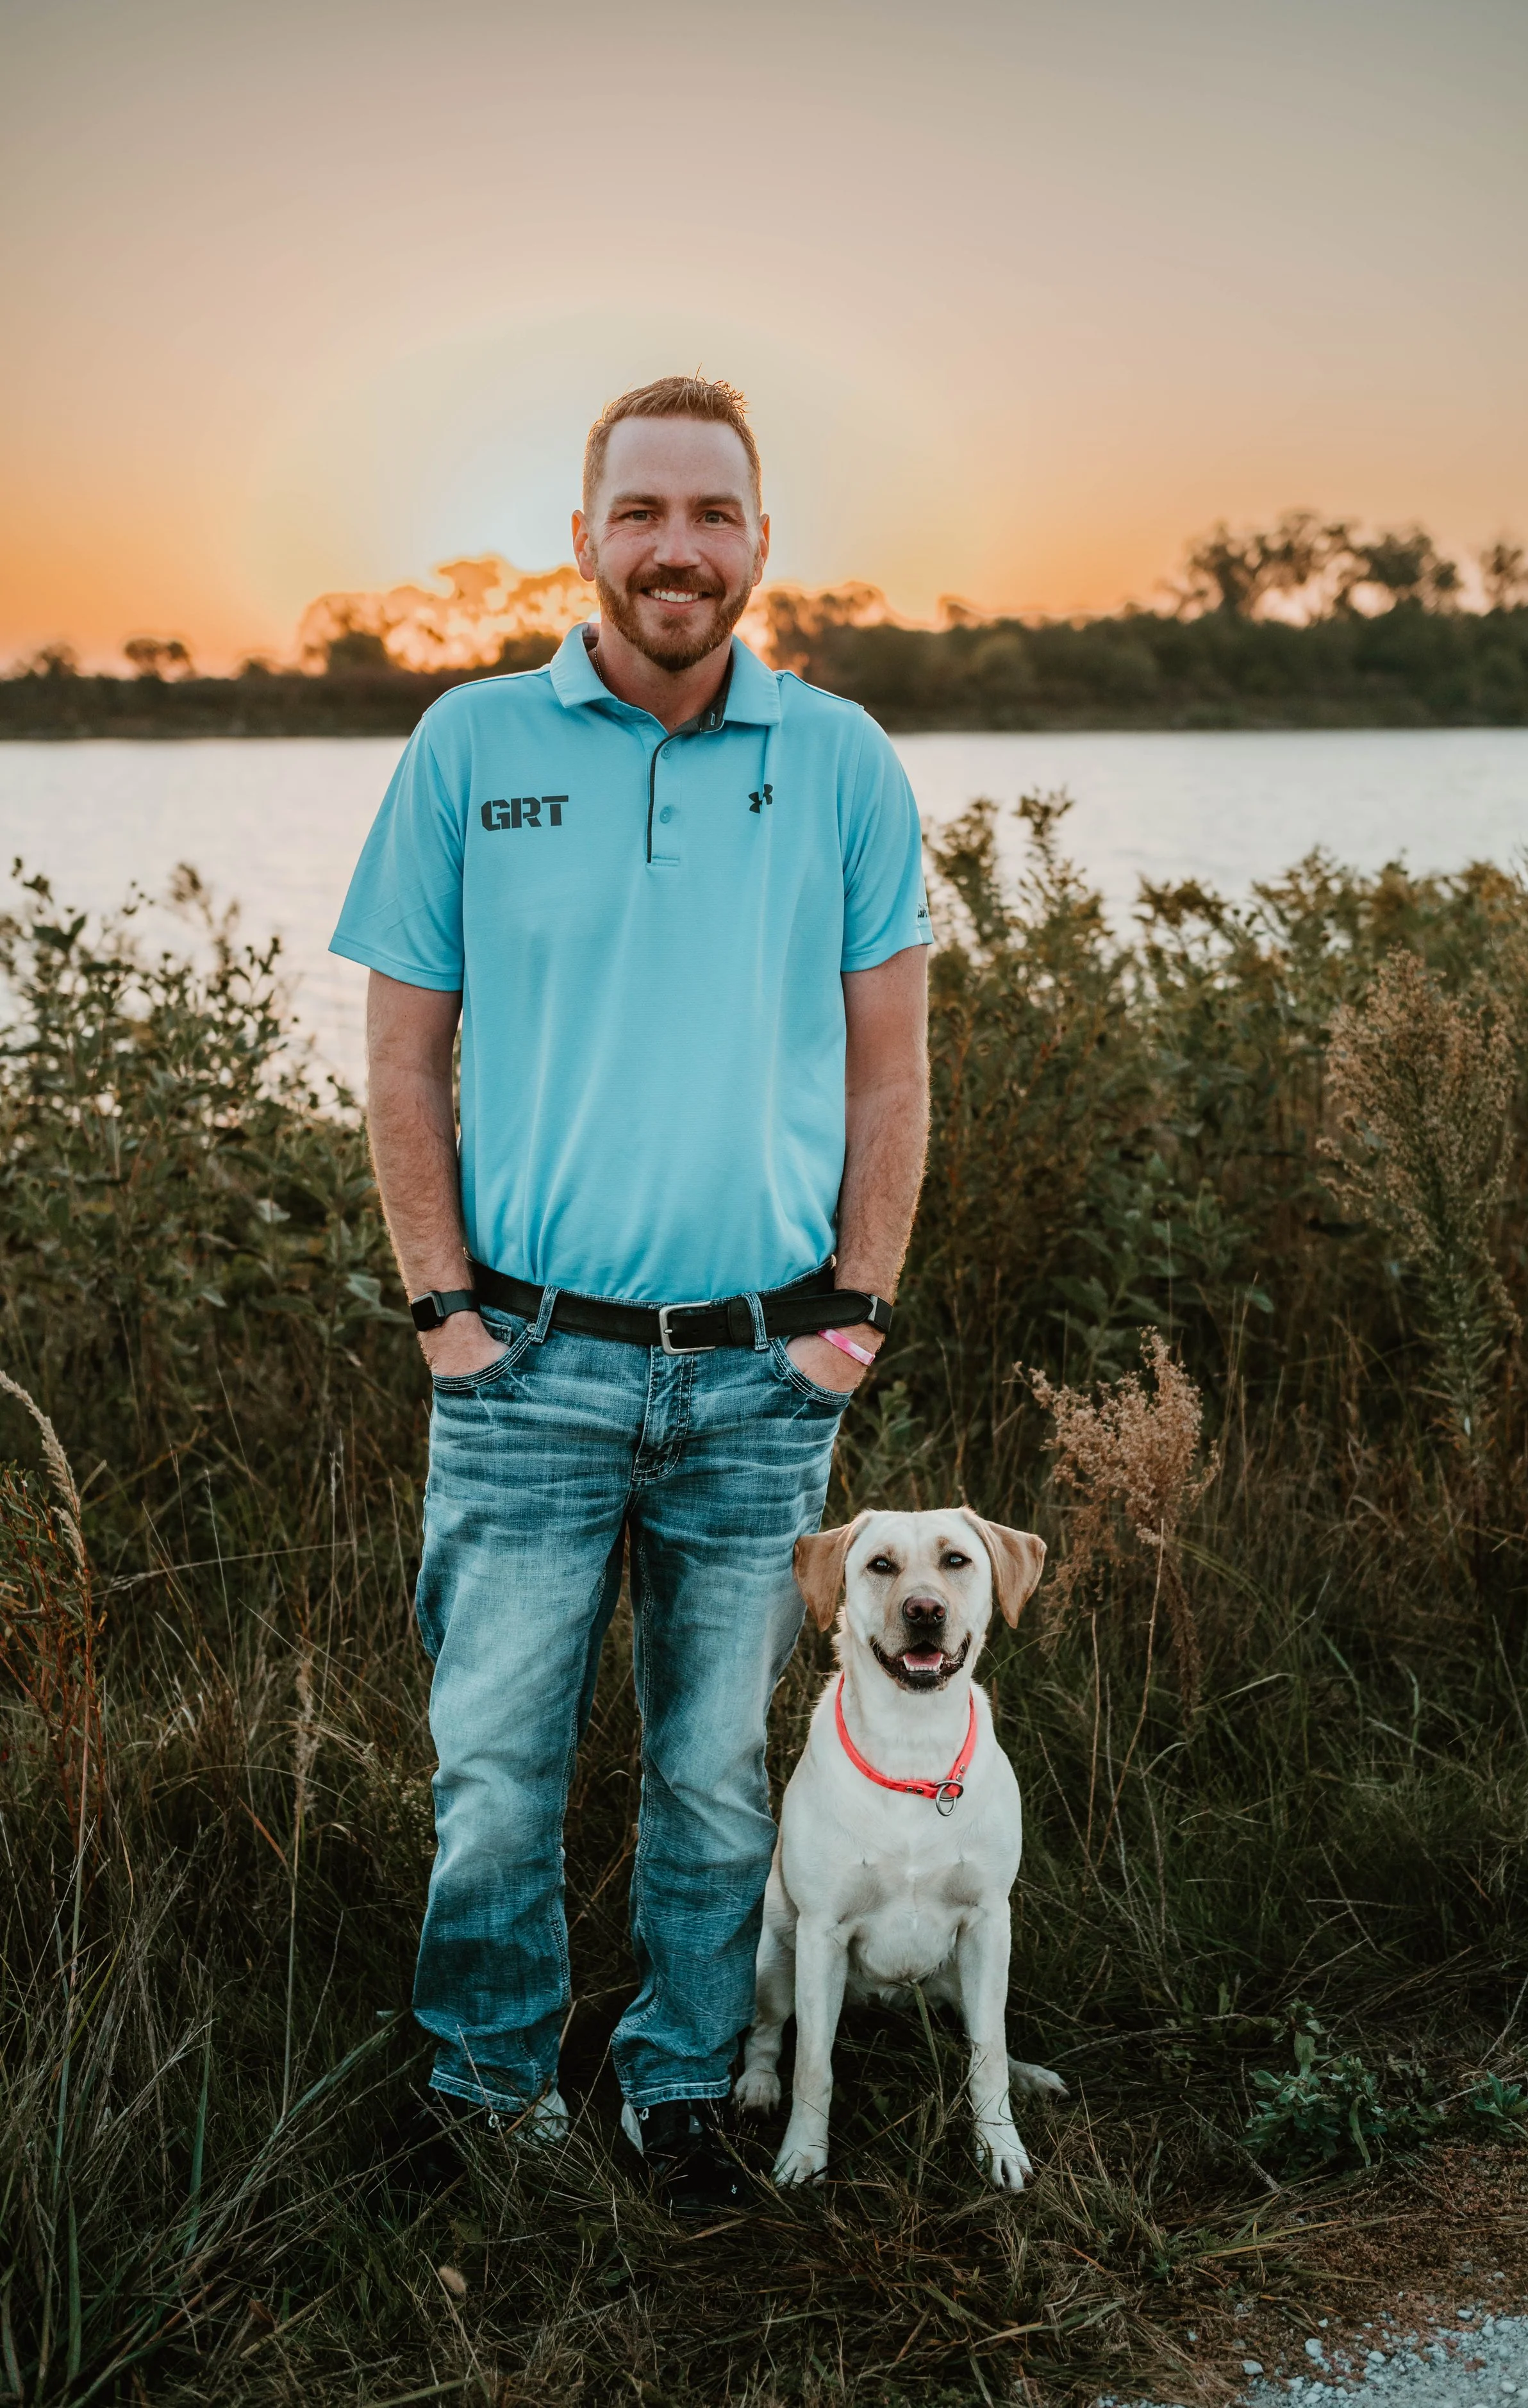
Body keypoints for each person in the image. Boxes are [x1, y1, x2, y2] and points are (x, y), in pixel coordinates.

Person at [330, 374, 931, 2214]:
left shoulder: (836, 759)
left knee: (708, 1780)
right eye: (643, 511)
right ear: (581, 538)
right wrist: (445, 1309)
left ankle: (679, 2090)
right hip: (525, 1373)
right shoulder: (465, 747)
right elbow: (403, 1059)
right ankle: (492, 2092)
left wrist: (855, 1318)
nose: (679, 546)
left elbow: (890, 1070)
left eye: (715, 513)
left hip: (761, 1379)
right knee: (496, 1778)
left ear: (759, 541)